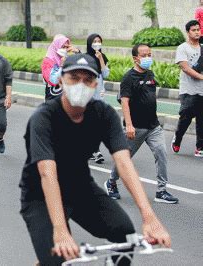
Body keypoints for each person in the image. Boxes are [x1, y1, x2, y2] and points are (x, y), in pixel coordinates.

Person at [19, 53, 172, 265]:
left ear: (95, 84)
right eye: (74, 77)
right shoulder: (44, 118)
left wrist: (149, 217)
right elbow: (47, 173)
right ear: (61, 79)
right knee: (56, 258)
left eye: (88, 79)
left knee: (125, 234)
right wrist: (61, 230)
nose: (81, 84)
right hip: (40, 195)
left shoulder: (104, 114)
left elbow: (124, 163)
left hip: (80, 188)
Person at [104, 44, 179, 204]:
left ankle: (161, 190)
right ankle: (111, 181)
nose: (147, 58)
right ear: (135, 58)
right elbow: (124, 102)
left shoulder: (150, 74)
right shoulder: (128, 78)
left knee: (161, 153)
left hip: (153, 126)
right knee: (125, 159)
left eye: (149, 54)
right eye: (144, 55)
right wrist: (129, 125)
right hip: (135, 127)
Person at [172, 20, 203, 158]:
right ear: (188, 32)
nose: (197, 32)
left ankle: (199, 147)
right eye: (194, 30)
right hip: (188, 90)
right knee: (186, 117)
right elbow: (185, 68)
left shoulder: (202, 47)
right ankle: (177, 138)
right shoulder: (183, 48)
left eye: (198, 29)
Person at [86, 33, 110, 164]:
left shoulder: (103, 56)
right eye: (94, 41)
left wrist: (100, 59)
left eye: (99, 41)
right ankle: (96, 151)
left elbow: (105, 73)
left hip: (99, 95)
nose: (97, 43)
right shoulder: (85, 58)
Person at [41, 34, 80, 101]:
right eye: (62, 47)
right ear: (56, 46)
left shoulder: (67, 59)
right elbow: (53, 80)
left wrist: (77, 52)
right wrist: (62, 66)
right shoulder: (47, 62)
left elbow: (82, 67)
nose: (65, 49)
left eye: (66, 47)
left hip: (67, 101)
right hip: (53, 100)